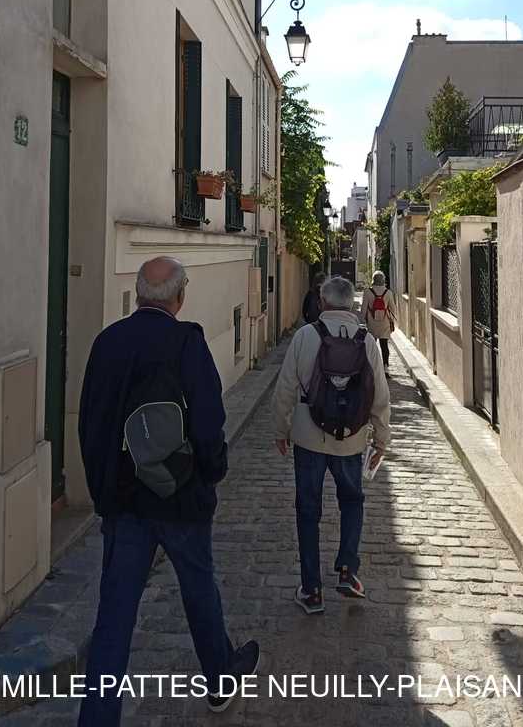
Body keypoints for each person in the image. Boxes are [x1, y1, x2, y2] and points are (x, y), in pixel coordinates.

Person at [78, 256, 259, 724]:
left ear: (140, 294)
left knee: (114, 617)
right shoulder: (186, 343)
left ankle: (97, 718)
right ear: (179, 297)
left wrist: (103, 492)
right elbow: (208, 421)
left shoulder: (108, 342)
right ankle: (220, 680)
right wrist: (210, 474)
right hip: (180, 496)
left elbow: (91, 424)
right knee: (199, 590)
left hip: (124, 501)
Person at [274, 276, 391, 614]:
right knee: (352, 502)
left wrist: (281, 430)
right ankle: (347, 571)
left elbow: (285, 388)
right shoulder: (367, 340)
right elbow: (380, 395)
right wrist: (381, 439)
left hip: (309, 437)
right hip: (351, 439)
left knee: (307, 510)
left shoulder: (305, 336)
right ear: (352, 304)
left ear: (322, 303)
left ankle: (311, 590)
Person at [361, 270, 397, 369]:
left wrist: (362, 321)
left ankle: (371, 366)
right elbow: (393, 308)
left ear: (373, 279)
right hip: (384, 323)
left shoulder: (367, 292)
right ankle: (385, 367)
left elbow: (363, 309)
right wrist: (391, 320)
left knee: (371, 346)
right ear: (383, 280)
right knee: (384, 345)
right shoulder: (388, 292)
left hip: (372, 323)